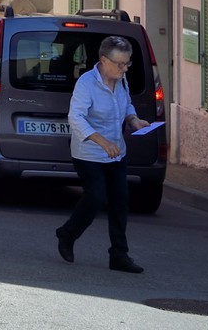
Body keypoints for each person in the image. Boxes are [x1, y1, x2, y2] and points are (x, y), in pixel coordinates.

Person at [56, 35, 148, 273]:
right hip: (88, 152)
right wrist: (101, 141)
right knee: (96, 197)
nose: (124, 68)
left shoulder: (121, 80)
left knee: (120, 202)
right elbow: (75, 117)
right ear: (103, 60)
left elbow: (126, 105)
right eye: (120, 64)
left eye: (127, 64)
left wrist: (134, 120)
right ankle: (68, 234)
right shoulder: (87, 83)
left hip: (116, 153)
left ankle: (119, 255)